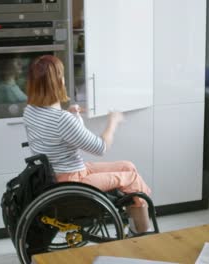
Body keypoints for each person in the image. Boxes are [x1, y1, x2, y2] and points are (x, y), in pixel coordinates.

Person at [23, 55, 152, 234]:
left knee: (128, 166)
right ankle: (143, 232)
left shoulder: (30, 111)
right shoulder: (62, 120)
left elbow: (53, 130)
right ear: (58, 81)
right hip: (73, 181)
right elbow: (101, 147)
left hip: (57, 176)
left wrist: (71, 114)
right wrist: (113, 121)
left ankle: (135, 223)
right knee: (132, 179)